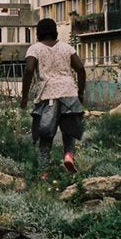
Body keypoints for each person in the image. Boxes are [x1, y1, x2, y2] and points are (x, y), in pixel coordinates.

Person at [21, 17, 87, 175]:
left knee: (45, 135)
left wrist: (24, 96)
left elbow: (29, 70)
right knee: (69, 131)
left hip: (48, 95)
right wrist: (80, 92)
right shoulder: (66, 48)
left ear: (38, 33)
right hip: (69, 93)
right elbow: (80, 69)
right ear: (55, 32)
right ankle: (69, 156)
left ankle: (44, 172)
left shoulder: (35, 48)